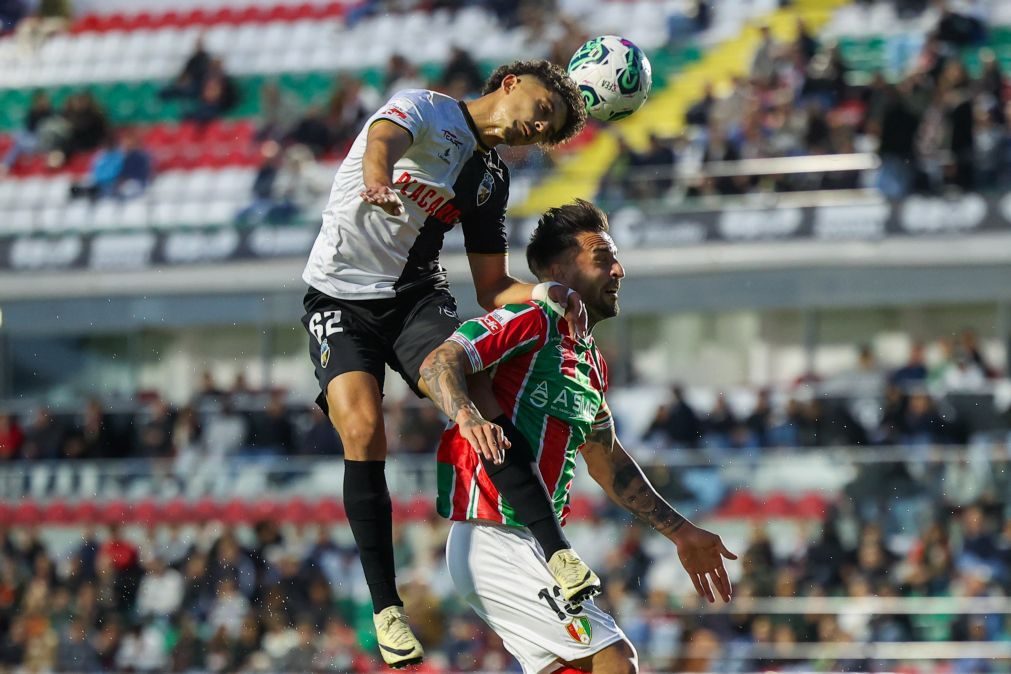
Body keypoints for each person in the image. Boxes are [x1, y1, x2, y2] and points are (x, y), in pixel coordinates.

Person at [300, 59, 588, 667]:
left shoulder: (490, 179)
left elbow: (490, 286)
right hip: (338, 297)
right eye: (539, 112)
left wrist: (545, 294)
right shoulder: (428, 108)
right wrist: (377, 178)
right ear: (511, 84)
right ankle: (386, 609)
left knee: (477, 398)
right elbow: (381, 138)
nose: (533, 130)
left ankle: (558, 552)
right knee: (362, 430)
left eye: (544, 132)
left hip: (412, 301)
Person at [419, 200, 736, 673]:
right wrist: (466, 415)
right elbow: (438, 362)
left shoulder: (591, 361)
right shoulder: (529, 319)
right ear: (556, 270)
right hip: (494, 535)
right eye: (602, 257)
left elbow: (605, 458)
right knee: (614, 661)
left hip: (534, 542)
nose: (619, 270)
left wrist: (682, 532)